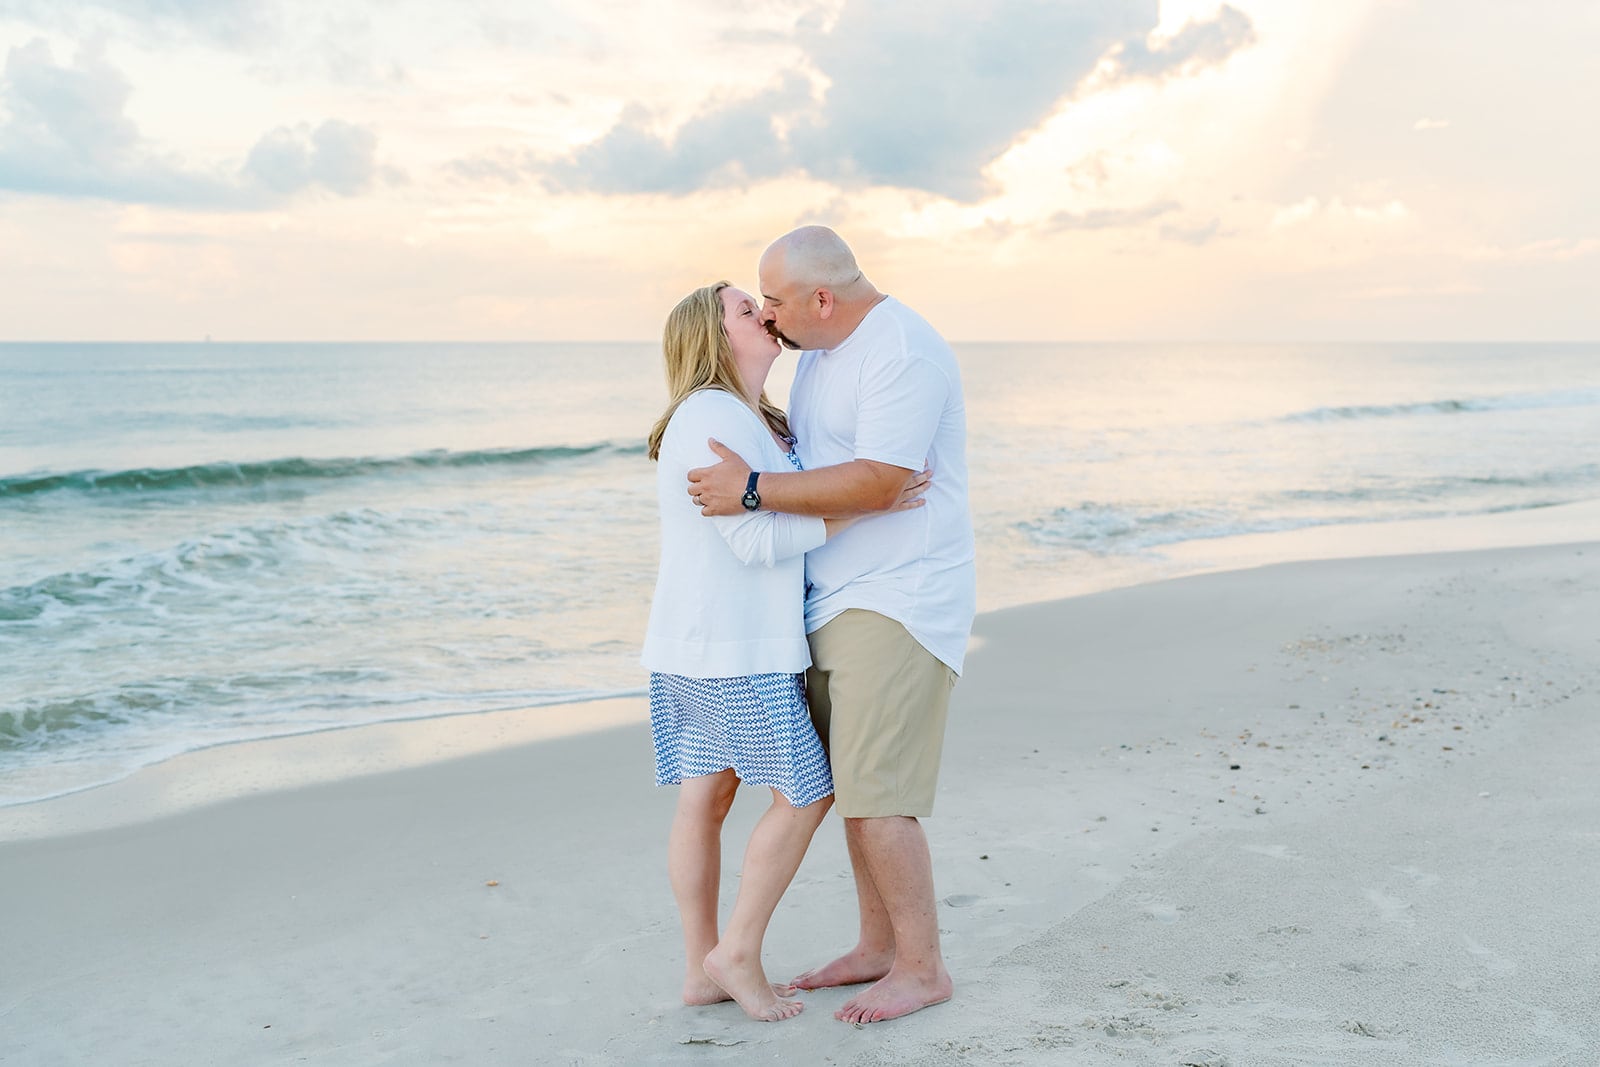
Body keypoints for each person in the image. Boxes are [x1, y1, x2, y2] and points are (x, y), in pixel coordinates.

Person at [686, 226, 977, 1026]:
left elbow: (880, 480)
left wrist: (750, 489)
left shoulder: (900, 351)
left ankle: (922, 967)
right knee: (855, 784)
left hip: (899, 594)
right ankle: (878, 946)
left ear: (822, 297)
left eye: (773, 300)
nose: (767, 316)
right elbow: (823, 465)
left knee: (879, 790)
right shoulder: (818, 352)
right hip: (834, 595)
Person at [642, 281, 926, 1022]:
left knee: (705, 799)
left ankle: (700, 969)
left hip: (692, 642)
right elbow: (754, 538)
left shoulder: (741, 415)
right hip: (737, 648)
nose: (764, 314)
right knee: (807, 791)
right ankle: (734, 953)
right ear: (714, 336)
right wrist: (866, 506)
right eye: (746, 309)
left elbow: (755, 509)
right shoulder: (714, 414)